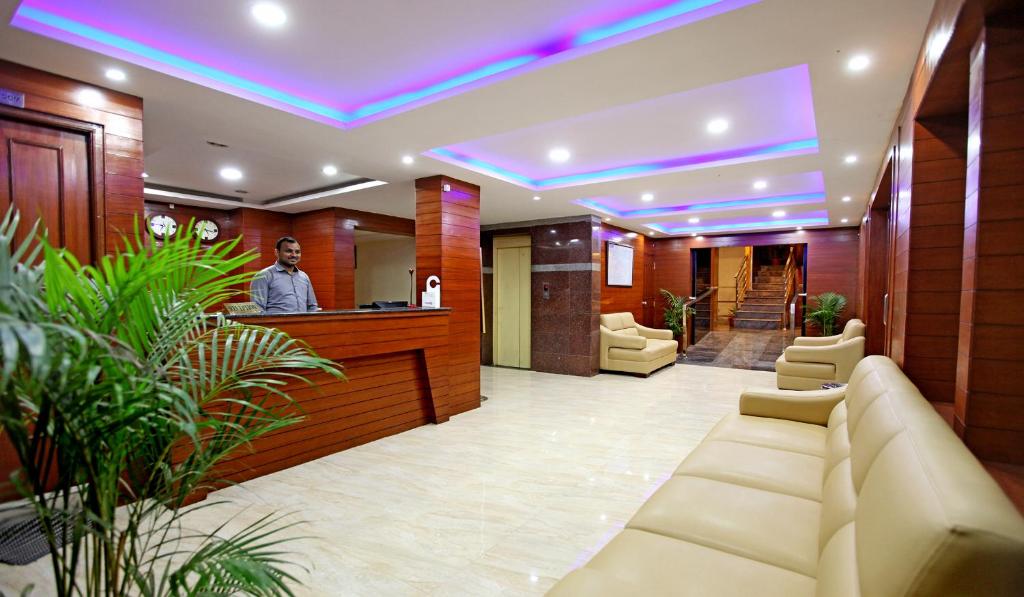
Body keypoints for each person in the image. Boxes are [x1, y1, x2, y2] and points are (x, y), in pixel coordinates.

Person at [250, 236, 319, 314]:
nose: (294, 255)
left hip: (303, 322)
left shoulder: (304, 276)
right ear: (277, 252)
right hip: (275, 322)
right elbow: (258, 310)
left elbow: (312, 307)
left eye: (297, 252)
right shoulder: (264, 276)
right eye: (289, 251)